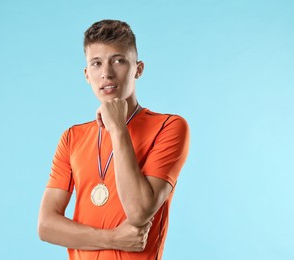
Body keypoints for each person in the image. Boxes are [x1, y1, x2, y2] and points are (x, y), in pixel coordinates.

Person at [38, 19, 190, 260]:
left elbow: (139, 212)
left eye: (118, 60)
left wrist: (118, 129)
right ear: (87, 75)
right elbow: (46, 226)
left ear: (138, 69)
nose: (106, 73)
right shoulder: (72, 137)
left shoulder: (168, 127)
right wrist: (112, 238)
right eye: (96, 64)